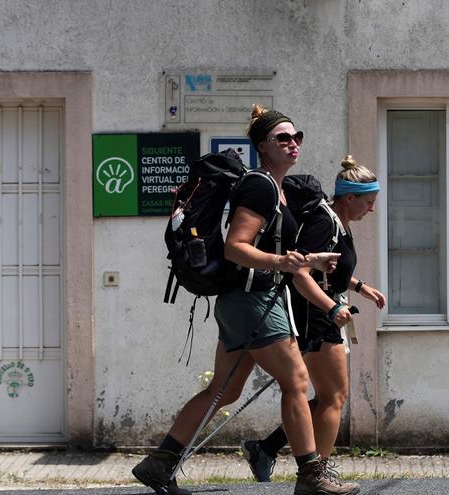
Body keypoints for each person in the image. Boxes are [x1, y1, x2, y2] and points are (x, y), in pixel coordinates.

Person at [132, 106, 360, 495]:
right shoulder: (260, 186)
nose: (293, 144)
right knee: (297, 381)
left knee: (224, 389)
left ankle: (159, 462)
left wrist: (310, 264)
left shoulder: (278, 189)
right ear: (261, 146)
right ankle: (311, 476)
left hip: (242, 301)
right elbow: (237, 247)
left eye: (296, 137)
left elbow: (280, 258)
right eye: (282, 138)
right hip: (252, 300)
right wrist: (281, 261)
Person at [241, 155, 386, 483]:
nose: (372, 209)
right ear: (350, 197)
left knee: (325, 396)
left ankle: (267, 449)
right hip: (317, 316)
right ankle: (316, 474)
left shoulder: (338, 222)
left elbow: (330, 268)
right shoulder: (324, 220)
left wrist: (362, 288)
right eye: (369, 202)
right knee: (335, 396)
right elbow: (301, 273)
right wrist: (332, 308)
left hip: (323, 313)